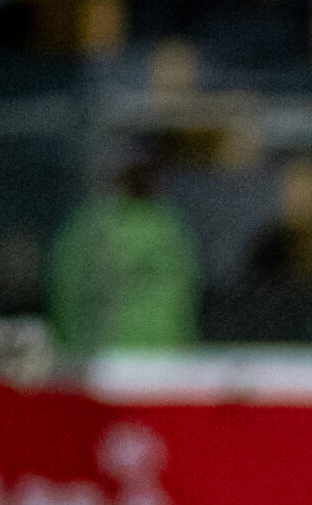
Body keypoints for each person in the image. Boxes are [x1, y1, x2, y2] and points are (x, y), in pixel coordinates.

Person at [49, 144, 201, 356]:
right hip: (141, 360)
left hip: (113, 358)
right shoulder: (162, 224)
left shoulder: (85, 225)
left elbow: (66, 292)